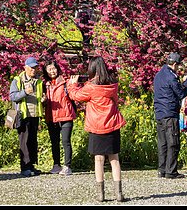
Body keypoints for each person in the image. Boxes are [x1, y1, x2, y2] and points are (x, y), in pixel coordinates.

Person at [68, 56, 126, 203]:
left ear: (92, 69)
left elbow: (75, 96)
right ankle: (119, 194)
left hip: (97, 126)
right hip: (112, 124)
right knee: (114, 159)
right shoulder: (113, 84)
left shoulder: (90, 88)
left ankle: (101, 195)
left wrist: (72, 84)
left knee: (99, 160)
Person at [153, 52, 187, 179]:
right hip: (170, 112)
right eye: (178, 65)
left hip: (159, 112)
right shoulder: (171, 77)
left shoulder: (158, 75)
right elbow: (180, 94)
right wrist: (186, 85)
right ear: (174, 64)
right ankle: (171, 171)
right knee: (173, 142)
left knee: (162, 142)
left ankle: (162, 169)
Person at [9, 56, 45, 177]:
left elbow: (40, 96)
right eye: (31, 68)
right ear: (25, 67)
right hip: (23, 115)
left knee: (32, 141)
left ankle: (32, 166)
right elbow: (12, 96)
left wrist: (43, 100)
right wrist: (25, 92)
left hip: (35, 115)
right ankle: (24, 167)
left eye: (35, 67)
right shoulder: (18, 80)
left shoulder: (39, 81)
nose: (34, 70)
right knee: (24, 142)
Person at [43, 60, 76, 176]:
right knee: (54, 142)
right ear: (46, 72)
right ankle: (56, 165)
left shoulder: (65, 82)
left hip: (66, 115)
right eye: (49, 69)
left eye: (53, 68)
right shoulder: (45, 85)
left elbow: (73, 95)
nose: (52, 71)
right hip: (51, 117)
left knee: (66, 141)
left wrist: (74, 84)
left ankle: (67, 166)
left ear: (57, 69)